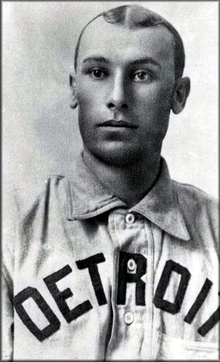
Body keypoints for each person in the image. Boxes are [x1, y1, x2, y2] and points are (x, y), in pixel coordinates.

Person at [2, 4, 219, 360]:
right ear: (75, 87)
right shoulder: (11, 229)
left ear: (178, 95)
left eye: (141, 75)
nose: (117, 97)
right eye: (98, 72)